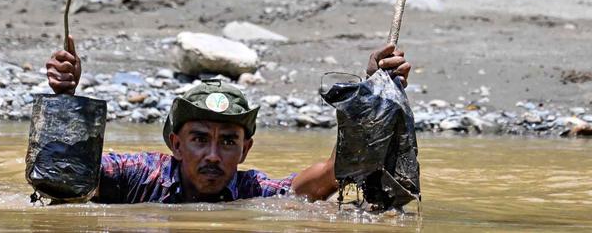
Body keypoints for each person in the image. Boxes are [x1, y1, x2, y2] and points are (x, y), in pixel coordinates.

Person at [45, 36, 410, 203]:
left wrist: (372, 96)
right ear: (175, 144)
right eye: (200, 139)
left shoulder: (253, 192)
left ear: (246, 149)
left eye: (228, 142)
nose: (214, 156)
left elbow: (331, 175)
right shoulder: (137, 176)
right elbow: (68, 175)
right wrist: (66, 99)